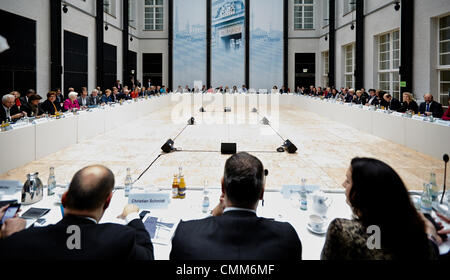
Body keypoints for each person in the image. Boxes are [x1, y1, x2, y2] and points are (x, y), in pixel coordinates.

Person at [0, 165, 154, 260]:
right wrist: (132, 216)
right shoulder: (120, 238)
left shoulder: (24, 241)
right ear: (107, 202)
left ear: (64, 198)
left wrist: (12, 238)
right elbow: (147, 256)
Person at [170, 152, 302, 260]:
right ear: (262, 192)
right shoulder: (287, 238)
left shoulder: (185, 234)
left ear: (223, 187)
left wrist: (212, 215)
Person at [320, 158, 439, 260]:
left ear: (363, 193)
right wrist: (430, 235)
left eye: (348, 181)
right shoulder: (419, 243)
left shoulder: (341, 230)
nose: (343, 184)